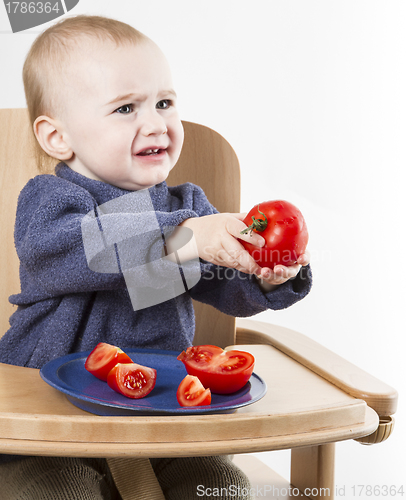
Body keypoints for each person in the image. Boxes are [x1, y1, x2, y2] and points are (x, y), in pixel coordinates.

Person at [0, 15, 311, 499]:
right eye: (125, 108)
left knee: (223, 488)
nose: (156, 123)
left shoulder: (187, 209)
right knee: (62, 492)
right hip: (49, 425)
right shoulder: (50, 202)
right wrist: (184, 238)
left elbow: (223, 286)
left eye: (164, 103)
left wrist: (265, 277)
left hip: (166, 415)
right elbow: (70, 252)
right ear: (58, 137)